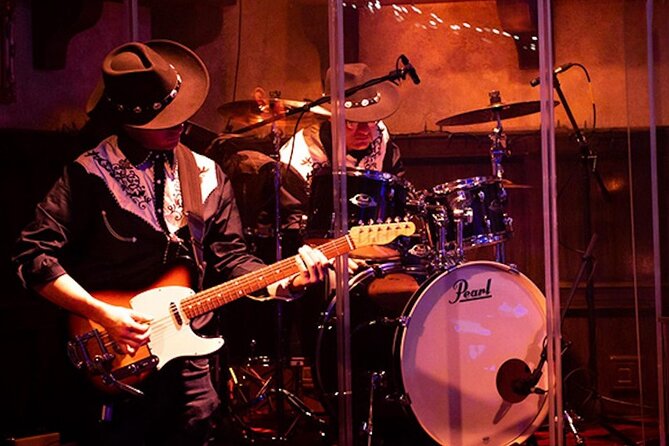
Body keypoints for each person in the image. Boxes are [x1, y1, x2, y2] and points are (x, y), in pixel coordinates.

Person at [12, 40, 329, 446]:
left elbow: (231, 256)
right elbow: (33, 255)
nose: (180, 124)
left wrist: (280, 282)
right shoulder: (89, 175)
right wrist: (102, 313)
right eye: (163, 119)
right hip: (115, 356)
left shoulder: (206, 173)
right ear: (128, 120)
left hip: (190, 363)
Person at [279, 62, 406, 260]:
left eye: (371, 120)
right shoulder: (297, 156)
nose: (365, 131)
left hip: (374, 250)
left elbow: (397, 200)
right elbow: (292, 229)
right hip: (318, 258)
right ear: (331, 118)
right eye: (352, 122)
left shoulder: (382, 139)